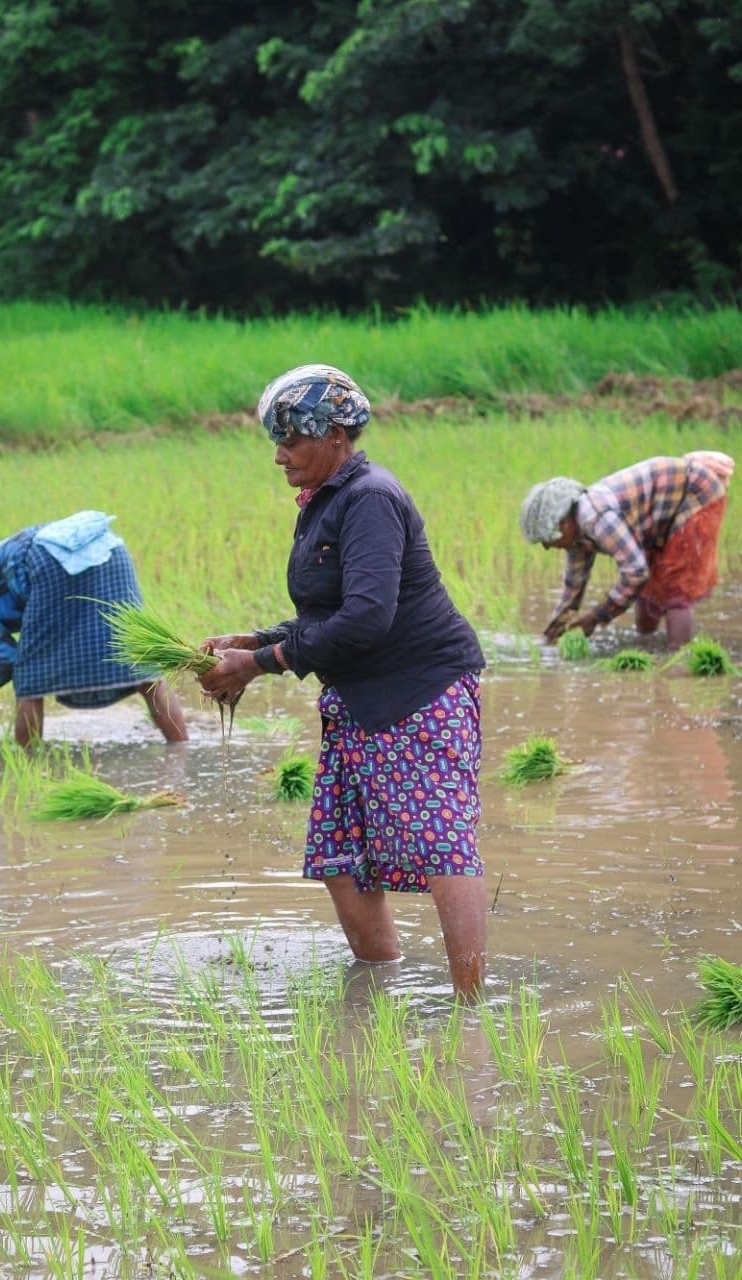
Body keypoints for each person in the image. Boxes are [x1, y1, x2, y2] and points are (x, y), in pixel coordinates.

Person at [197, 364, 488, 1002]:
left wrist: (261, 663)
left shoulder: (370, 498)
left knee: (440, 844)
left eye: (290, 440)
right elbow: (327, 614)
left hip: (421, 693)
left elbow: (366, 618)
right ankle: (379, 986)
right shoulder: (327, 500)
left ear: (333, 435)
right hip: (357, 701)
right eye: (275, 441)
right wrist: (254, 640)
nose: (278, 456)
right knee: (341, 855)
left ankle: (472, 1003)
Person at [0, 511, 188, 746]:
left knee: (29, 681)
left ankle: (28, 769)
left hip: (49, 561)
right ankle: (181, 751)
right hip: (109, 546)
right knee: (144, 671)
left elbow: (7, 658)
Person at [519, 451, 734, 648]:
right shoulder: (576, 536)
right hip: (659, 514)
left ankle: (679, 661)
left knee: (675, 588)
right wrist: (552, 634)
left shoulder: (597, 519)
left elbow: (636, 572)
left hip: (695, 492)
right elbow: (574, 585)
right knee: (648, 589)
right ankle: (646, 646)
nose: (547, 547)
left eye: (547, 539)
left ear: (564, 523)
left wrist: (597, 615)